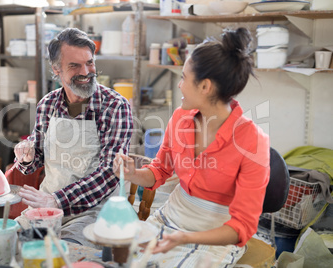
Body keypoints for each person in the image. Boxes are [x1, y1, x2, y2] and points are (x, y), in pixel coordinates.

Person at [114, 27, 270, 267]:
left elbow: (242, 228)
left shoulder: (252, 141)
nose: (180, 85)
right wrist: (133, 173)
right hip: (172, 215)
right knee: (126, 258)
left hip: (216, 231)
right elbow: (159, 172)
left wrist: (185, 238)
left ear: (205, 86)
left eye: (184, 77)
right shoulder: (180, 118)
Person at [14, 28, 133, 247]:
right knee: (5, 243)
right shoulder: (47, 104)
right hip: (45, 208)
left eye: (89, 63)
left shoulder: (115, 106)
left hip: (94, 212)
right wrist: (26, 156)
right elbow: (35, 160)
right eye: (74, 66)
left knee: (62, 253)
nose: (86, 71)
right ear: (56, 69)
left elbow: (110, 173)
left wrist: (58, 200)